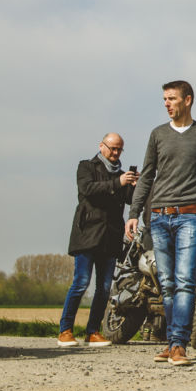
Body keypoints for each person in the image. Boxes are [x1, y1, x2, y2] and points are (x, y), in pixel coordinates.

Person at [125, 81, 196, 367]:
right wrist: (134, 212)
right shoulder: (158, 134)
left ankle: (178, 345)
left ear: (187, 100)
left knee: (185, 281)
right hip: (159, 216)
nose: (166, 103)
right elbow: (147, 176)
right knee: (167, 284)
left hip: (190, 215)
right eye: (164, 99)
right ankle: (173, 341)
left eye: (172, 98)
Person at [58, 133, 138, 348]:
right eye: (112, 148)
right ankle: (65, 330)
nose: (116, 153)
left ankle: (93, 332)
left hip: (110, 238)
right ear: (102, 146)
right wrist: (118, 182)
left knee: (104, 288)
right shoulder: (86, 166)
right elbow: (88, 189)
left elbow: (130, 200)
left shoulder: (122, 175)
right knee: (81, 283)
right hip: (87, 235)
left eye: (119, 149)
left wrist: (134, 185)